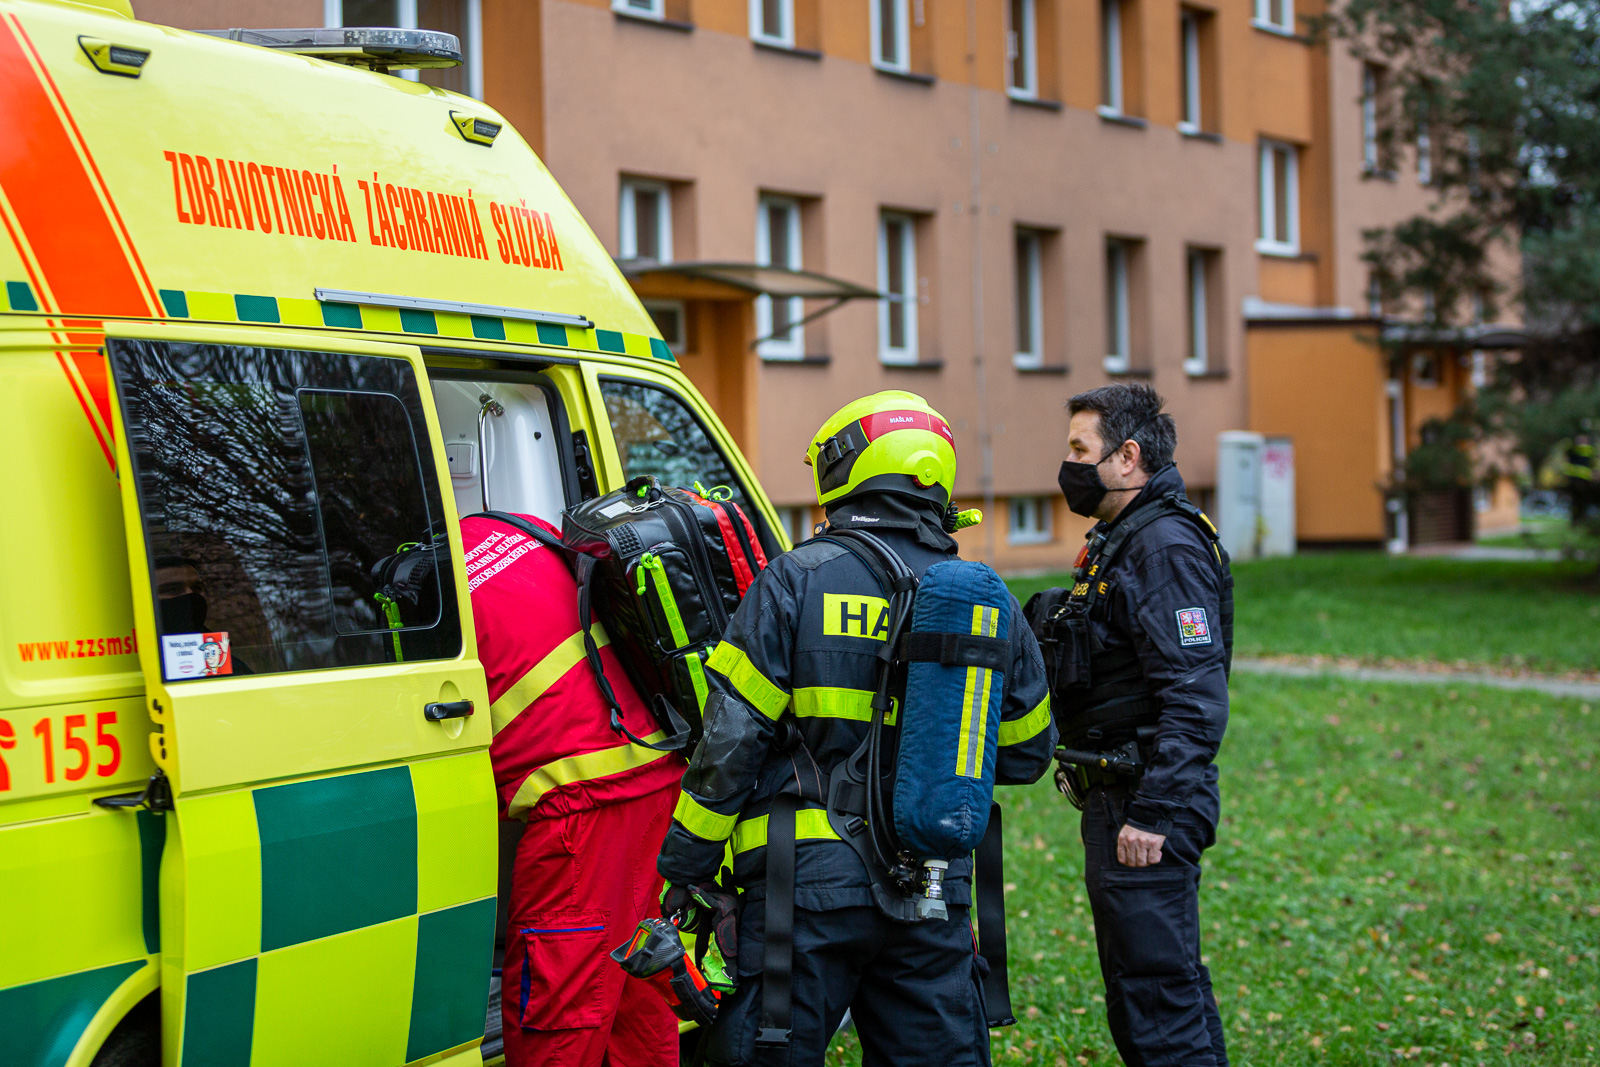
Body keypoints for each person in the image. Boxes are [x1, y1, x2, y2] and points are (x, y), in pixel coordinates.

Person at [654, 391, 1057, 1067]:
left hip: (801, 891)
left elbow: (729, 743)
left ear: (843, 468)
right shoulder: (982, 599)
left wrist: (684, 865)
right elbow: (1024, 754)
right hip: (933, 882)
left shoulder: (794, 580)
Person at [1046, 383, 1232, 1067]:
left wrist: (1151, 814)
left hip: (1145, 806)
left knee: (1156, 1001)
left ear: (1127, 457)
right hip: (1120, 796)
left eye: (1078, 450)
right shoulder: (1125, 539)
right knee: (1156, 988)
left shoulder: (1163, 548)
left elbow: (1196, 697)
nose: (1067, 467)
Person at [462, 511, 686, 1067]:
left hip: (583, 811)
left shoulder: (421, 586)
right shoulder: (520, 525)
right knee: (637, 995)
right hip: (658, 774)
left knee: (560, 1015)